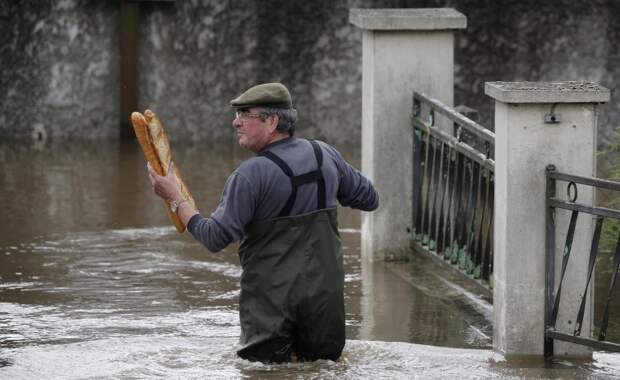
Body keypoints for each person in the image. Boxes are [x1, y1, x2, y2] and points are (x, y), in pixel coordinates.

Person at [147, 82, 378, 363]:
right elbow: (370, 199)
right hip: (325, 302)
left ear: (272, 122)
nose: (236, 122)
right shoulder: (325, 155)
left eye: (245, 114)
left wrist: (174, 199)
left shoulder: (250, 175)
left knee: (263, 373)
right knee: (321, 369)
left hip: (271, 308)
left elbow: (214, 238)